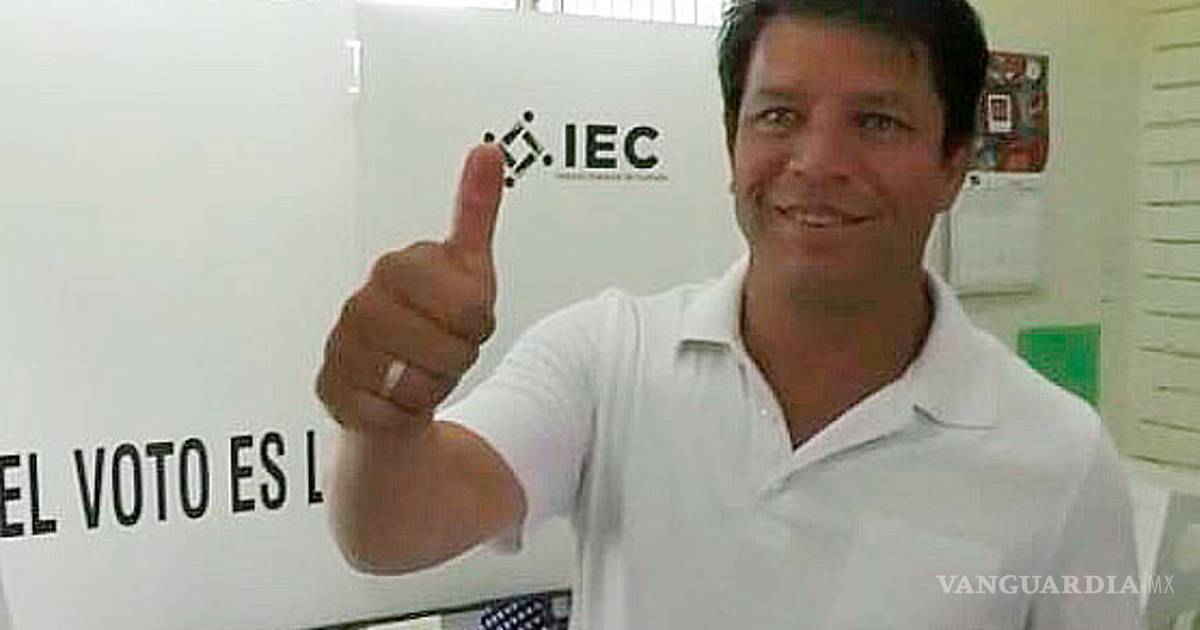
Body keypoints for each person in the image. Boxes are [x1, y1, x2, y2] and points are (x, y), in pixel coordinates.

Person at [315, 0, 1143, 627]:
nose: (817, 162)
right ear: (731, 142)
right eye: (780, 115)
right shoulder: (607, 358)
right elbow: (390, 533)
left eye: (877, 122)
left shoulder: (1059, 457)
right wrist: (385, 421)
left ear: (954, 163)